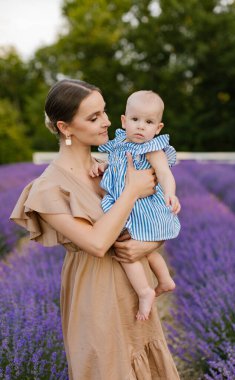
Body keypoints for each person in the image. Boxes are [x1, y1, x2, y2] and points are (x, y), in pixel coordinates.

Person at [10, 79, 180, 380]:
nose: (107, 121)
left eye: (104, 112)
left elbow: (151, 219)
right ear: (66, 128)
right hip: (96, 298)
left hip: (135, 293)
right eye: (94, 117)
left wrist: (148, 246)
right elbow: (98, 244)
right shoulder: (48, 189)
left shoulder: (110, 164)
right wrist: (131, 191)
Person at [89, 90, 181, 321]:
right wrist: (103, 167)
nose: (141, 127)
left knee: (125, 246)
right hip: (124, 203)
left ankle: (144, 291)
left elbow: (164, 173)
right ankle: (165, 280)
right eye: (135, 120)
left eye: (148, 122)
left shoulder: (151, 148)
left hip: (141, 206)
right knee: (143, 248)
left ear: (158, 128)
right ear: (124, 121)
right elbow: (115, 165)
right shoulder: (119, 143)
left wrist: (170, 193)